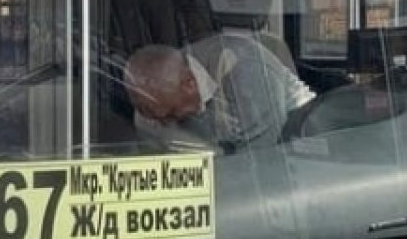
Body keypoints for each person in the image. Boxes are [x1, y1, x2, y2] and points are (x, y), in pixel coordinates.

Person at [125, 34, 316, 153]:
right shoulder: (151, 110)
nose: (164, 124)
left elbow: (259, 163)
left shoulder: (245, 70)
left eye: (171, 114)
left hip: (298, 145)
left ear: (190, 84)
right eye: (151, 115)